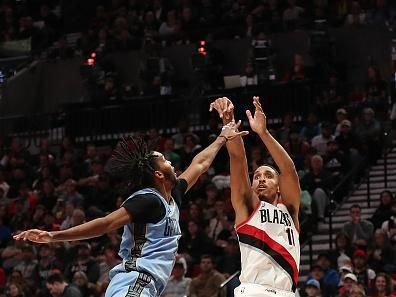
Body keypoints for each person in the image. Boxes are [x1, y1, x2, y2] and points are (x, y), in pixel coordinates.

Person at [13, 124, 247, 297]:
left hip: (147, 284)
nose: (172, 163)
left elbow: (199, 164)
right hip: (136, 279)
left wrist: (222, 138)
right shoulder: (147, 200)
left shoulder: (172, 195)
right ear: (158, 174)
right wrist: (53, 236)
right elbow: (105, 224)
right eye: (165, 161)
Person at [210, 96, 300, 297]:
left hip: (287, 293)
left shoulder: (290, 210)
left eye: (268, 176)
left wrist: (264, 133)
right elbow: (238, 159)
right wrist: (229, 123)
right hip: (254, 291)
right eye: (257, 176)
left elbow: (289, 170)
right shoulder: (248, 206)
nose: (261, 179)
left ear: (278, 187)